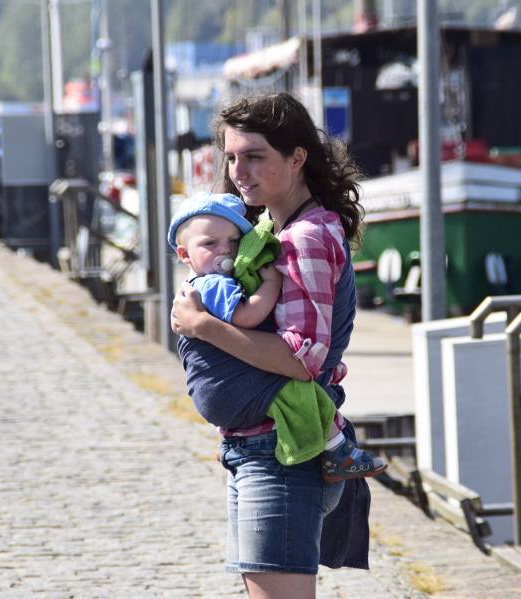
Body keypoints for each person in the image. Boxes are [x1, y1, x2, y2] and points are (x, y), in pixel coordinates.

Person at [171, 92, 372, 599]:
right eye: (231, 157)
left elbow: (302, 359)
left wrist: (201, 325)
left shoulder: (304, 238)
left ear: (297, 156)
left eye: (255, 156)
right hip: (257, 448)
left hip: (280, 456)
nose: (239, 172)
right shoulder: (268, 230)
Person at [168, 191, 386, 478]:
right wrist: (271, 282)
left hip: (219, 400)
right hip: (237, 401)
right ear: (184, 254)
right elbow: (248, 315)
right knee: (304, 395)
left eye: (233, 241)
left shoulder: (199, 284)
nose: (225, 250)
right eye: (210, 243)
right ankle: (336, 450)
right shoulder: (213, 284)